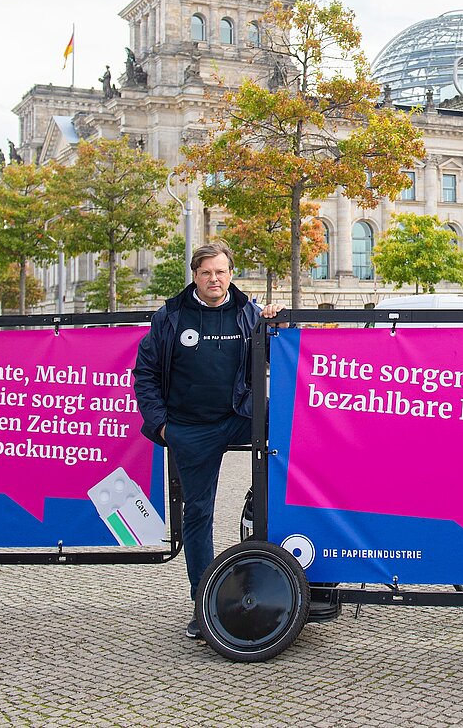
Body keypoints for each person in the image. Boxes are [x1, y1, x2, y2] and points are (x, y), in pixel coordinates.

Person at [133, 242, 282, 639]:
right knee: (198, 514)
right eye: (206, 273)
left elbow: (282, 358)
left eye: (220, 272)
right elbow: (144, 373)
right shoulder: (171, 316)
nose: (214, 279)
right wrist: (162, 426)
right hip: (190, 427)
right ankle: (205, 605)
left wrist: (278, 325)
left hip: (239, 417)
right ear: (195, 276)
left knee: (289, 438)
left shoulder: (250, 314)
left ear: (231, 272)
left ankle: (261, 506)